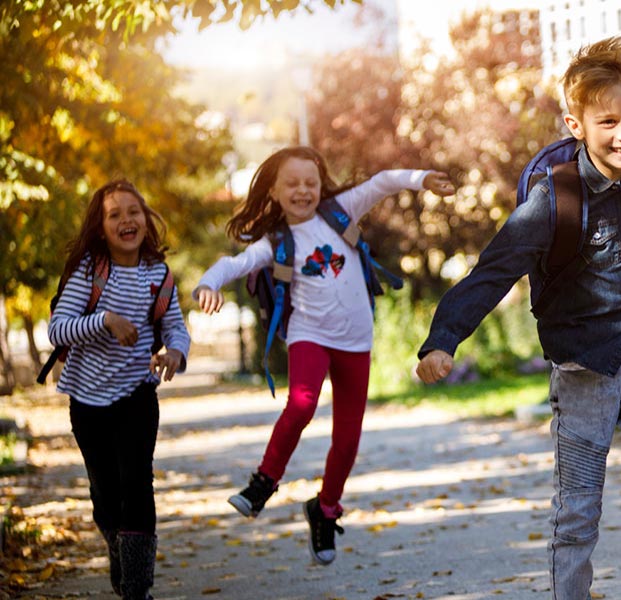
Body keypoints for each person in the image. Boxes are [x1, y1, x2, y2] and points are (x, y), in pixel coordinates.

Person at [416, 37, 621, 599]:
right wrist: (442, 339)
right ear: (576, 124)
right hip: (583, 366)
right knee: (577, 506)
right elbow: (493, 271)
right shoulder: (556, 198)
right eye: (609, 121)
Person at [194, 146, 454, 565]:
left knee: (348, 437)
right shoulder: (276, 242)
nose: (303, 191)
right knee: (301, 404)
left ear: (321, 185)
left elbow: (383, 181)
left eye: (310, 183)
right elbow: (232, 264)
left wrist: (421, 178)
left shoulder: (341, 211)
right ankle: (263, 482)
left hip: (356, 339)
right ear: (274, 192)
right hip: (308, 335)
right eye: (292, 184)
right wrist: (206, 285)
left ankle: (325, 508)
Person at [48, 180, 190, 599]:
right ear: (101, 227)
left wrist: (175, 354)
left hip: (137, 395)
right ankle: (118, 544)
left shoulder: (158, 275)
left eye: (134, 211)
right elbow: (58, 329)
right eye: (115, 214)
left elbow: (176, 327)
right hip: (88, 401)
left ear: (146, 220)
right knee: (106, 494)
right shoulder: (90, 272)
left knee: (138, 484)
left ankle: (136, 588)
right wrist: (105, 319)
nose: (127, 220)